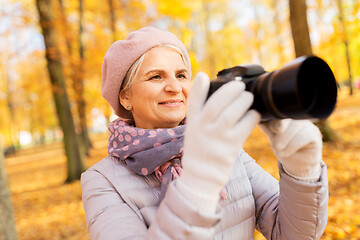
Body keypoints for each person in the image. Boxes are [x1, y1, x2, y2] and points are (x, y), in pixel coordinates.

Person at [81, 27, 328, 240]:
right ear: (125, 97)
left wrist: (301, 170)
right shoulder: (102, 181)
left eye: (181, 75)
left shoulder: (223, 149)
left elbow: (293, 233)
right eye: (156, 76)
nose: (174, 87)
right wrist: (197, 185)